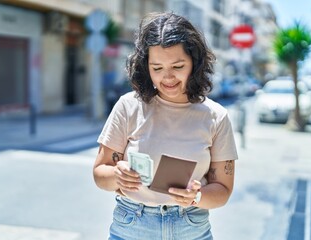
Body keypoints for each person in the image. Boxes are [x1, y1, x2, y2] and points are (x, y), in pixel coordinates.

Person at [93, 12, 238, 240]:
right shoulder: (128, 106)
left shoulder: (216, 116)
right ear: (145, 66)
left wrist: (196, 196)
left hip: (191, 227)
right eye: (157, 68)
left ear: (195, 63)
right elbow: (100, 173)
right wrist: (117, 176)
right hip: (132, 225)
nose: (167, 77)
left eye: (178, 66)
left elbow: (223, 190)